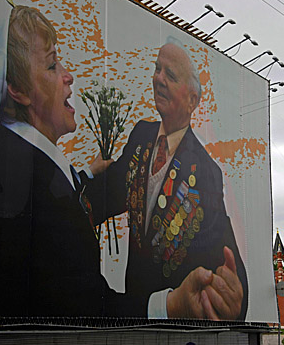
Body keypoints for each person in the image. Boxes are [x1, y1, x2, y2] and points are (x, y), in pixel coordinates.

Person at [0, 0, 122, 316]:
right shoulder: (13, 173)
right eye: (51, 64)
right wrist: (167, 305)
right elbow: (80, 303)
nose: (68, 76)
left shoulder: (13, 156)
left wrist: (87, 174)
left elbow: (51, 189)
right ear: (17, 90)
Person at [89, 38, 248, 320]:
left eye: (170, 75)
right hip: (133, 314)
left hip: (173, 322)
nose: (158, 79)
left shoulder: (206, 172)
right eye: (157, 69)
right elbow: (109, 193)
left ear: (192, 101)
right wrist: (74, 203)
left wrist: (236, 298)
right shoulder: (141, 135)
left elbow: (223, 250)